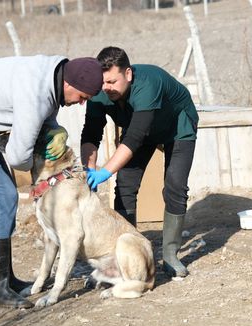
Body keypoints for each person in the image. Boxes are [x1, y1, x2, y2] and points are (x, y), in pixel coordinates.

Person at [0, 55, 103, 308]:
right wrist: (43, 158)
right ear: (70, 83)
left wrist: (54, 132)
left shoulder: (53, 76)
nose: (81, 104)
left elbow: (45, 119)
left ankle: (5, 280)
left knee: (3, 198)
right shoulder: (36, 95)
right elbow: (17, 158)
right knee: (1, 198)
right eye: (82, 97)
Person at [81, 46, 198, 278]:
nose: (107, 88)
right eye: (103, 83)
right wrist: (89, 168)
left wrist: (104, 172)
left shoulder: (148, 83)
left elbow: (134, 139)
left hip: (177, 127)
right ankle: (123, 253)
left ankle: (171, 254)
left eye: (112, 82)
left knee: (175, 186)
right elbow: (91, 134)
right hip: (140, 130)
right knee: (124, 184)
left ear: (128, 74)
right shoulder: (99, 91)